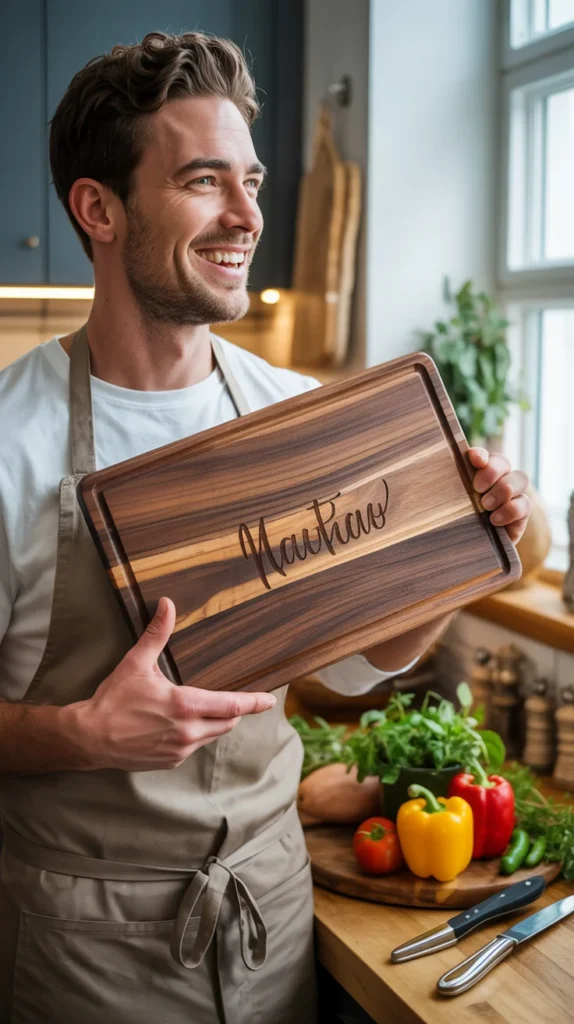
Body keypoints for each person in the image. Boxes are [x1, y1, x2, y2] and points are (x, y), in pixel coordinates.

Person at [0, 31, 531, 1024]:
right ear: (96, 208)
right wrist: (79, 735)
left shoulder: (298, 416)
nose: (246, 215)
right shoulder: (9, 437)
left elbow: (359, 662)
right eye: (204, 181)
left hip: (271, 921)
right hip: (84, 949)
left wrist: (445, 561)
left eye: (250, 180)